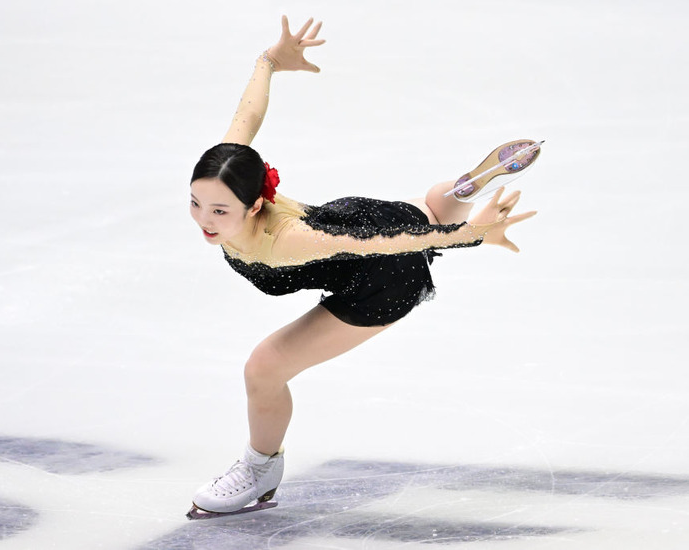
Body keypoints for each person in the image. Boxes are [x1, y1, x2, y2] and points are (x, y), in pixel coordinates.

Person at [186, 16, 539, 518]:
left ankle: (260, 469)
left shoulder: (288, 241)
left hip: (380, 273)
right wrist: (268, 61)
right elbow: (247, 117)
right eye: (196, 203)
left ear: (254, 207)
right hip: (360, 218)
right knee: (433, 205)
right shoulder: (232, 173)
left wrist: (470, 238)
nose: (204, 219)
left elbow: (384, 245)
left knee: (264, 368)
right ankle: (455, 197)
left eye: (219, 211)